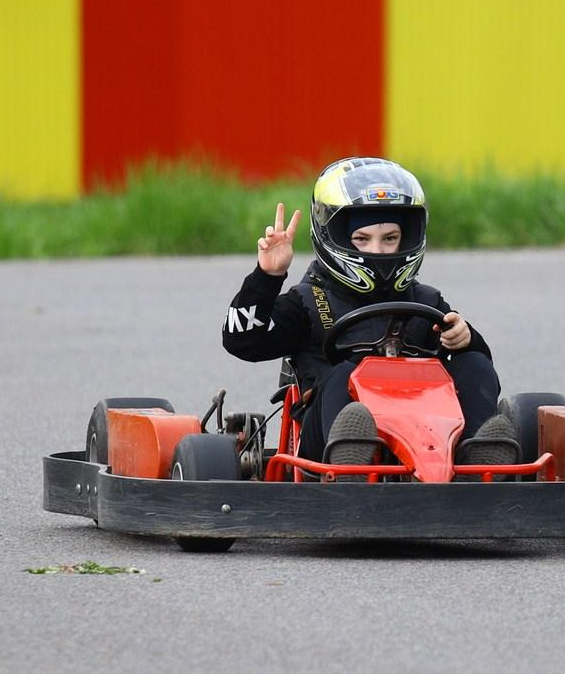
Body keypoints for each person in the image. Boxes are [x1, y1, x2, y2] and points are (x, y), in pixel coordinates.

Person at [221, 156, 517, 466]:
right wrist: (266, 277)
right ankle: (351, 457)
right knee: (343, 375)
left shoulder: (426, 302)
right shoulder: (308, 302)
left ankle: (478, 457)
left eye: (390, 239)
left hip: (426, 434)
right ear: (334, 237)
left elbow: (479, 371)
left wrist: (465, 338)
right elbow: (242, 340)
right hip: (325, 442)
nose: (377, 250)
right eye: (362, 239)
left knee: (474, 363)